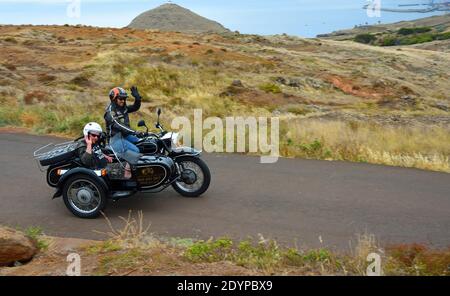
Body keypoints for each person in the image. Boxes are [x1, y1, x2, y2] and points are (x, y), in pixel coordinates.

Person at [104, 86, 145, 155]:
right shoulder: (110, 112)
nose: (123, 101)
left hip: (125, 136)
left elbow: (135, 107)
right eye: (121, 98)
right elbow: (118, 124)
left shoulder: (123, 108)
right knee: (136, 151)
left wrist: (138, 98)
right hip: (115, 139)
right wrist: (134, 132)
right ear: (114, 98)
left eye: (124, 98)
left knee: (143, 143)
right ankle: (126, 166)